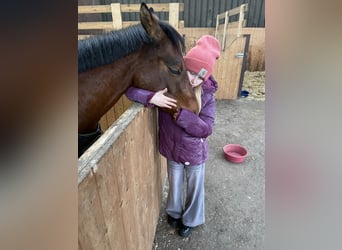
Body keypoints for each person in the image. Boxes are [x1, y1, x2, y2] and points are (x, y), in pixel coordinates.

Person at [126, 35, 221, 237]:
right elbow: (131, 91)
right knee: (175, 185)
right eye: (190, 72)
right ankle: (174, 213)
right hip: (171, 148)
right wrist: (152, 97)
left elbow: (206, 128)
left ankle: (191, 219)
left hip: (194, 152)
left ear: (205, 77)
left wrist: (182, 115)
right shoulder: (168, 85)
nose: (192, 79)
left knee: (195, 189)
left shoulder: (207, 96)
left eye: (199, 76)